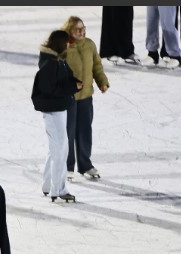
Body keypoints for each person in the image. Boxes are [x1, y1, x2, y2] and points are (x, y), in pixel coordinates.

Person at [32, 29, 81, 203]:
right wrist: (73, 88)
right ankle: (58, 189)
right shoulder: (50, 64)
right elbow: (50, 90)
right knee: (61, 148)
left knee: (56, 148)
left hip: (59, 109)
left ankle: (47, 185)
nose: (68, 47)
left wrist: (74, 82)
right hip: (53, 111)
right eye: (66, 44)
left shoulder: (57, 61)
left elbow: (65, 78)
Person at [59, 16, 108, 182]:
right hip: (68, 98)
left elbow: (97, 66)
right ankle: (67, 166)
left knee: (85, 131)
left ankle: (85, 165)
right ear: (69, 31)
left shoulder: (89, 45)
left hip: (86, 96)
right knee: (68, 132)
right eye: (77, 29)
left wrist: (102, 82)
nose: (82, 32)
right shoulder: (63, 48)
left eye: (83, 28)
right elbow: (56, 72)